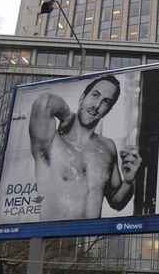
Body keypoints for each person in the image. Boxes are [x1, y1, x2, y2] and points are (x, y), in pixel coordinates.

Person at [28, 75, 142, 221]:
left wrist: (129, 181)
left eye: (106, 102)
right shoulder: (51, 142)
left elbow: (116, 202)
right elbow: (44, 102)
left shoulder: (107, 147)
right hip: (56, 233)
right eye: (95, 95)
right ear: (83, 97)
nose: (97, 105)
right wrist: (67, 116)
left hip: (93, 234)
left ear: (108, 110)